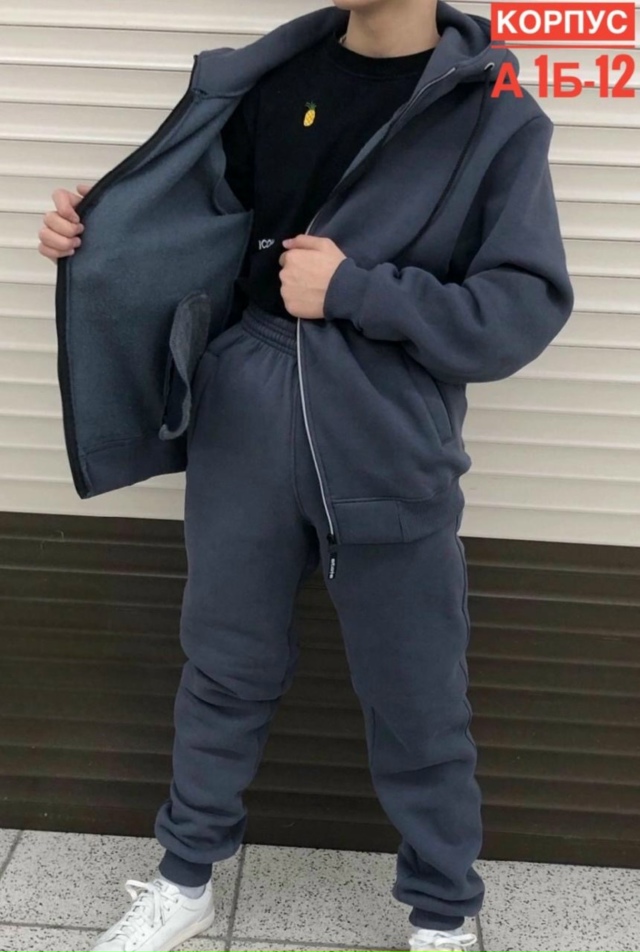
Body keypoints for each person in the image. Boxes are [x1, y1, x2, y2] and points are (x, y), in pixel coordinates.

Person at [38, 1, 574, 950]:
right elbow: (201, 229)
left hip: (385, 425)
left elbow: (521, 307)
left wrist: (357, 290)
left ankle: (443, 914)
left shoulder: (495, 109)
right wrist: (102, 229)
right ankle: (186, 880)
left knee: (417, 691)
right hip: (243, 404)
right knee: (223, 662)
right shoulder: (271, 81)